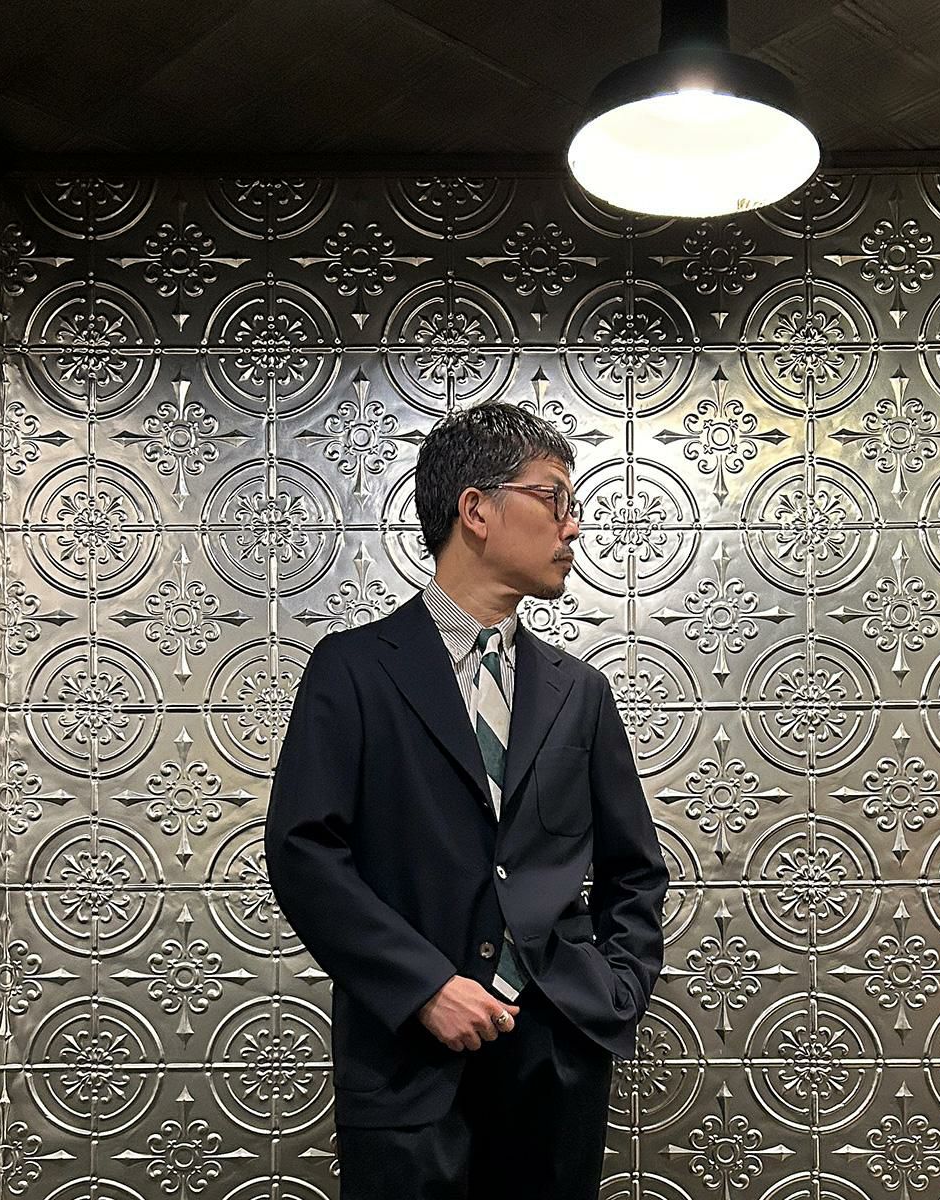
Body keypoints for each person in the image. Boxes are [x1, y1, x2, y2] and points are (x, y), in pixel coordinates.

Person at [265, 400, 669, 1200]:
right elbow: (304, 852)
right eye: (554, 498)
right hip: (407, 1062)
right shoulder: (353, 669)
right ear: (477, 510)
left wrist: (612, 995)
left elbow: (635, 870)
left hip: (556, 1058)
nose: (574, 527)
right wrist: (421, 987)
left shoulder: (580, 692)